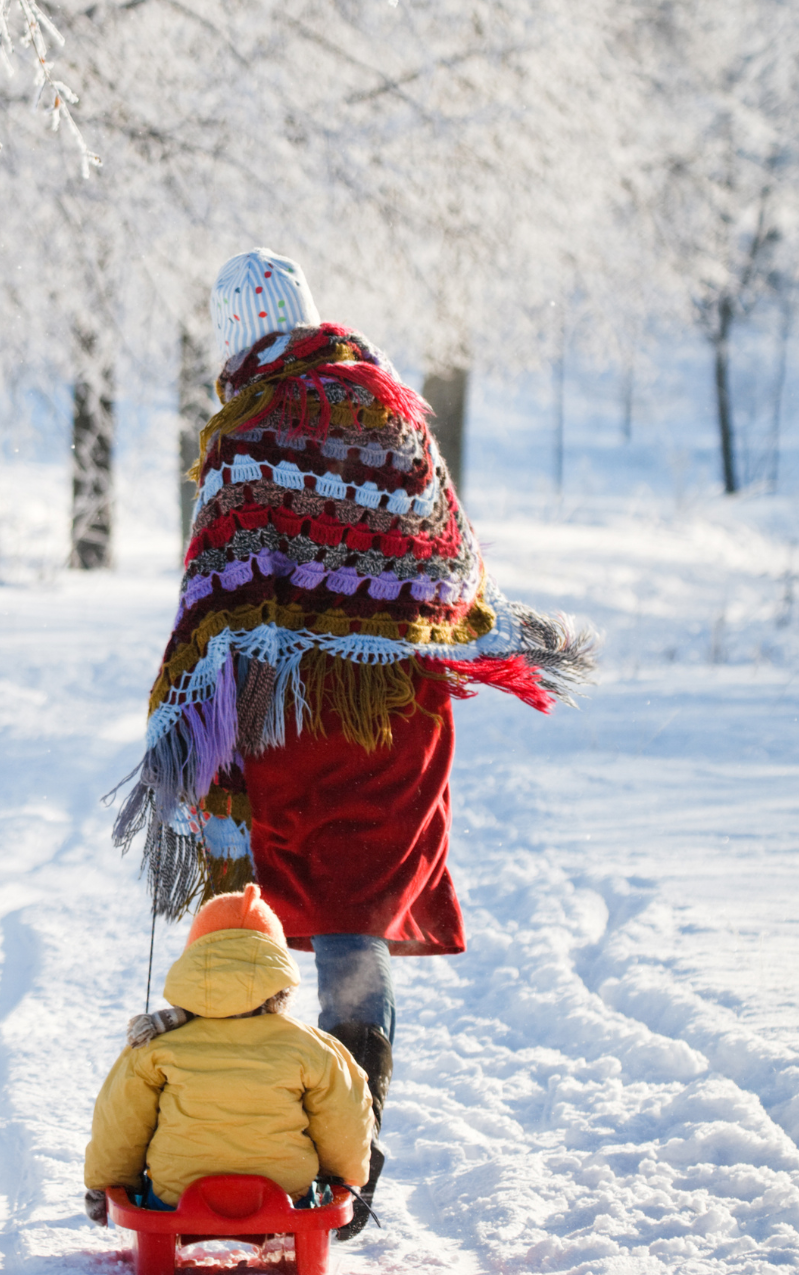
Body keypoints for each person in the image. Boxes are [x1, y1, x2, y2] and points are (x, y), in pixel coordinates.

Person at [112, 248, 596, 1237]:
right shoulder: (394, 411)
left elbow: (218, 600)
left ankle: (250, 1147)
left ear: (238, 332)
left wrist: (182, 730)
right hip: (395, 722)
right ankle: (351, 1160)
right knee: (354, 929)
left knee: (251, 923)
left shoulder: (244, 433)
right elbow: (449, 573)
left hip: (284, 721)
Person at [82, 885, 374, 1226]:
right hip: (286, 1198)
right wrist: (342, 1175)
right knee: (303, 1192)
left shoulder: (158, 1046)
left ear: (196, 962)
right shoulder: (312, 1048)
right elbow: (345, 1119)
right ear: (277, 973)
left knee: (158, 1179)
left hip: (175, 1200)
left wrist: (109, 1184)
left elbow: (120, 1122)